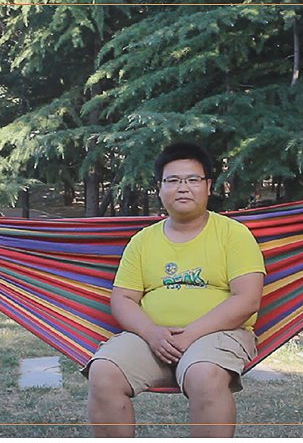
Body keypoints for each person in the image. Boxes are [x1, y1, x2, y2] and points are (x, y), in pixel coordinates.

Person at [83, 142, 266, 438]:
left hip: (219, 335)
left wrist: (190, 335)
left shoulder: (234, 234)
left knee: (204, 375)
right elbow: (123, 299)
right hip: (152, 339)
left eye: (193, 179)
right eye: (173, 180)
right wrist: (153, 334)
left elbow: (248, 299)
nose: (183, 188)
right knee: (104, 371)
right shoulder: (142, 241)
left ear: (208, 186)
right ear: (159, 188)